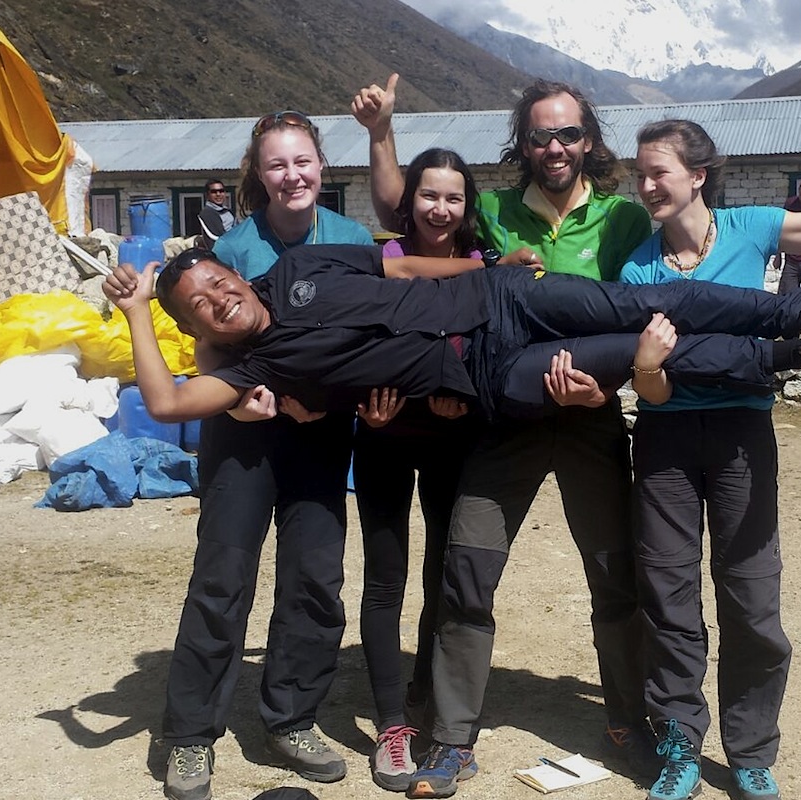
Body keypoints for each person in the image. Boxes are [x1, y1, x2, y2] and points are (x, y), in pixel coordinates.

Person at [352, 73, 656, 796]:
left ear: (589, 141)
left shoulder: (623, 221)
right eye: (540, 134)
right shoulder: (489, 212)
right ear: (522, 141)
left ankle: (626, 717)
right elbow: (403, 210)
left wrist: (606, 385)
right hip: (503, 429)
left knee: (616, 577)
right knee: (467, 573)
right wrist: (381, 131)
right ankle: (453, 739)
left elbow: (639, 317)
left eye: (568, 134)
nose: (554, 147)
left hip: (591, 422)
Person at [618, 93, 801, 800]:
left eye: (658, 172)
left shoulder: (753, 227)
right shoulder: (640, 269)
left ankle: (750, 749)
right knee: (669, 595)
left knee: (751, 597)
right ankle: (679, 743)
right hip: (667, 439)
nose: (646, 186)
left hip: (742, 435)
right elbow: (651, 392)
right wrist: (647, 368)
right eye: (639, 175)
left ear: (698, 174)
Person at [157, 110, 375, 800]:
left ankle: (292, 718)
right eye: (277, 165)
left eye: (303, 161)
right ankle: (190, 737)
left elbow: (366, 334)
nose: (292, 176)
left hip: (320, 432)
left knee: (315, 580)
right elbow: (209, 345)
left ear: (322, 165)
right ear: (259, 175)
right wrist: (240, 399)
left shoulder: (352, 238)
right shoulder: (235, 246)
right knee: (223, 580)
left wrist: (346, 397)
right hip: (243, 434)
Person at [102, 244, 801, 424]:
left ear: (233, 273)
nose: (217, 298)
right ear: (194, 326)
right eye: (198, 305)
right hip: (488, 373)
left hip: (502, 294)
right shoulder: (254, 368)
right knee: (648, 350)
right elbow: (167, 404)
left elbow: (399, 270)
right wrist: (141, 309)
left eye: (216, 282)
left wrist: (480, 259)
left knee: (656, 298)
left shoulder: (300, 264)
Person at [356, 148, 487, 792]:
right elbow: (354, 342)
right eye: (429, 196)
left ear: (468, 205)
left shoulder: (483, 269)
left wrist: (459, 400)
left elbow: (491, 353)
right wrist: (366, 407)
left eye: (453, 198)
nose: (441, 209)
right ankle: (390, 723)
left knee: (444, 572)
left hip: (449, 439)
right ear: (407, 201)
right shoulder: (382, 260)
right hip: (381, 436)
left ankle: (424, 691)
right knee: (386, 578)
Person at [197, 178, 236, 249]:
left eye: (221, 191)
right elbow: (221, 237)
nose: (218, 194)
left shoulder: (228, 211)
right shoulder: (207, 213)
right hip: (221, 253)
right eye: (214, 192)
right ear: (207, 195)